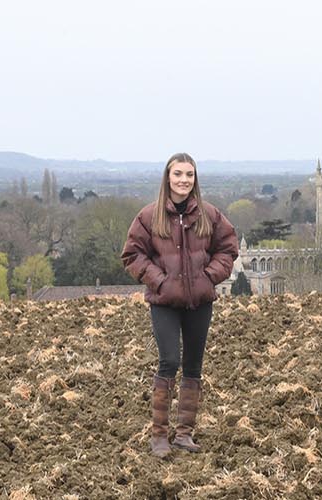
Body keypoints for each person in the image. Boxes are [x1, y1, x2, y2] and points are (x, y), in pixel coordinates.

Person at [122, 153, 239, 457]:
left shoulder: (210, 215)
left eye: (189, 174)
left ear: (195, 179)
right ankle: (159, 435)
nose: (184, 180)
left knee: (194, 365)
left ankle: (184, 434)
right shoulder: (149, 217)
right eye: (178, 174)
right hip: (164, 302)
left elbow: (228, 248)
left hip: (199, 301)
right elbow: (132, 255)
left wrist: (208, 277)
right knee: (169, 361)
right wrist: (159, 280)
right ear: (168, 177)